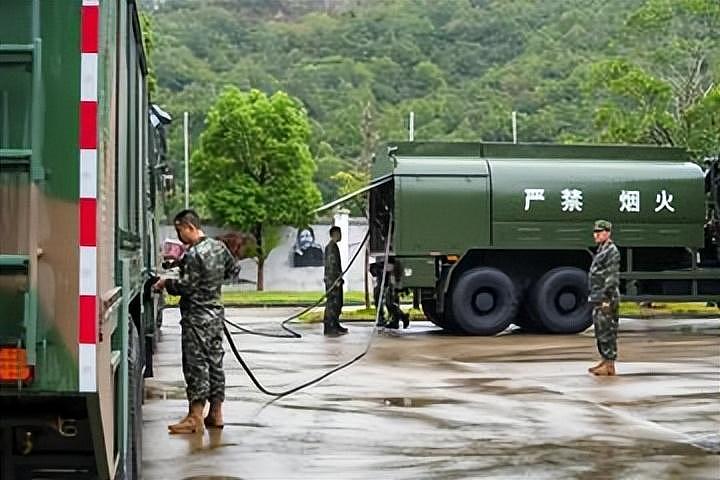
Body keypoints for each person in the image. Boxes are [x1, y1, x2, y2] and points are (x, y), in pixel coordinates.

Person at [153, 209, 238, 433]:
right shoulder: (219, 247)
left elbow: (185, 287)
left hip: (196, 318)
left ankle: (195, 416)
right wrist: (212, 284)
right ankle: (216, 414)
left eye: (179, 230)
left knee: (196, 366)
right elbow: (233, 270)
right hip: (215, 316)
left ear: (190, 227)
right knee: (215, 364)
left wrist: (166, 284)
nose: (179, 235)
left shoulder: (194, 254)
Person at [587, 219, 621, 376]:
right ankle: (604, 360)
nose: (596, 235)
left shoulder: (612, 251)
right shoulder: (602, 249)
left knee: (607, 330)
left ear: (607, 233)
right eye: (595, 232)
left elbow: (611, 277)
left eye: (599, 233)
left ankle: (609, 364)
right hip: (599, 296)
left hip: (607, 296)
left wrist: (607, 298)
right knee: (601, 330)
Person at [323, 226, 348, 336]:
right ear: (334, 234)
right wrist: (335, 280)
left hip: (336, 279)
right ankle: (329, 327)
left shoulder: (334, 246)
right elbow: (331, 265)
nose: (340, 235)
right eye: (339, 233)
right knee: (332, 304)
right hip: (333, 281)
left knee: (338, 303)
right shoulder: (331, 247)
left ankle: (335, 324)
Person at [370, 261, 409, 329]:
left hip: (389, 268)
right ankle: (394, 318)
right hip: (381, 266)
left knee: (389, 301)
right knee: (380, 296)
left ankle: (400, 317)